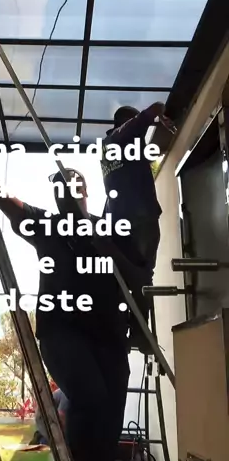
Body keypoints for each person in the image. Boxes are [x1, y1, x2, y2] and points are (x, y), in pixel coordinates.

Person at [0, 159, 142, 461]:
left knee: (107, 431)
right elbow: (5, 199)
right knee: (91, 399)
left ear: (85, 192)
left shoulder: (106, 230)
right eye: (60, 186)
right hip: (62, 336)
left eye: (73, 184)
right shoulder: (47, 225)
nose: (67, 190)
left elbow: (136, 273)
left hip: (109, 342)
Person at [101, 101, 175, 352]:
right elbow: (154, 108)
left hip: (119, 222)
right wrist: (159, 115)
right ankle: (140, 334)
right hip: (139, 219)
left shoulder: (106, 148)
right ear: (127, 123)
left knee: (130, 277)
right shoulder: (125, 135)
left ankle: (132, 330)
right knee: (143, 275)